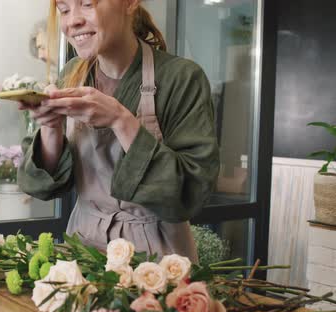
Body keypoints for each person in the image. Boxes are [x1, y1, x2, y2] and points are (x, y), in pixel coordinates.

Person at [17, 0, 220, 262]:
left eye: (87, 4)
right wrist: (51, 126)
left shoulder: (181, 77)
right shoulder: (73, 74)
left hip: (157, 258)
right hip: (82, 248)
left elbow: (191, 194)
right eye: (64, 9)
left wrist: (120, 119)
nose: (72, 21)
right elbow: (41, 186)